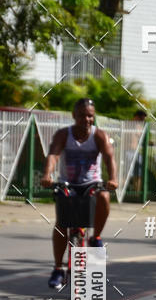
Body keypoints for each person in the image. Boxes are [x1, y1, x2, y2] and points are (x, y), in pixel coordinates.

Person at [41, 98, 118, 289]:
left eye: (90, 116)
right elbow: (54, 154)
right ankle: (58, 268)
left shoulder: (99, 135)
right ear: (74, 115)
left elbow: (109, 157)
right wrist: (47, 175)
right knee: (62, 224)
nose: (86, 119)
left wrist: (113, 179)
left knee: (104, 197)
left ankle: (95, 237)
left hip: (92, 183)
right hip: (68, 184)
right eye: (82, 115)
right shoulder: (63, 134)